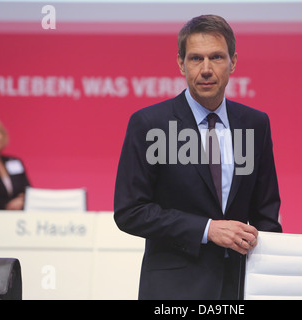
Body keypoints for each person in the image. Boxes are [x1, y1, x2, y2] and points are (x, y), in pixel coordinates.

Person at [114, 15, 282, 300]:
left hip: (241, 287)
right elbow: (130, 211)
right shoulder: (150, 124)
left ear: (233, 62)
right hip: (173, 290)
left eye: (217, 57)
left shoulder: (255, 123)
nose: (206, 69)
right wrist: (207, 229)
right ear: (181, 63)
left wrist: (268, 279)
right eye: (195, 59)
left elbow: (266, 214)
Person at [0, 116, 31, 210]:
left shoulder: (14, 162)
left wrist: (22, 199)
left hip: (15, 217)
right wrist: (6, 206)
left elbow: (28, 189)